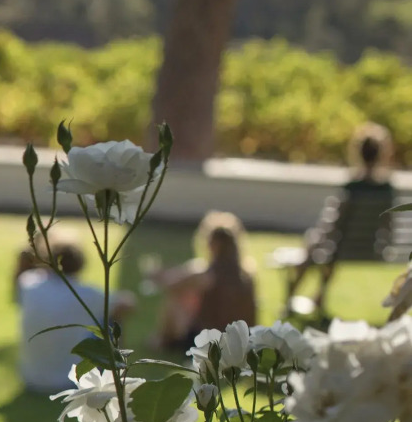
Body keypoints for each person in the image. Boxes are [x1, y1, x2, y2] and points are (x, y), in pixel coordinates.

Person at [281, 122, 398, 316]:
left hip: (341, 249)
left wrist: (316, 239)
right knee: (328, 248)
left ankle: (291, 298)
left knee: (316, 243)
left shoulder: (352, 187)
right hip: (370, 249)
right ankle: (318, 298)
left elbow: (333, 225)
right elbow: (389, 225)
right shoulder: (387, 189)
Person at [16, 225, 134, 393]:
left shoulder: (28, 283)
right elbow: (128, 304)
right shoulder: (89, 294)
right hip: (73, 381)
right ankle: (116, 371)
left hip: (31, 377)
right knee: (109, 319)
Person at [151, 211, 258, 353]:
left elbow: (172, 284)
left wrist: (157, 274)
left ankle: (161, 341)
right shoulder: (246, 275)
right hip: (242, 340)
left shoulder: (209, 273)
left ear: (213, 244)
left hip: (210, 340)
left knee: (174, 299)